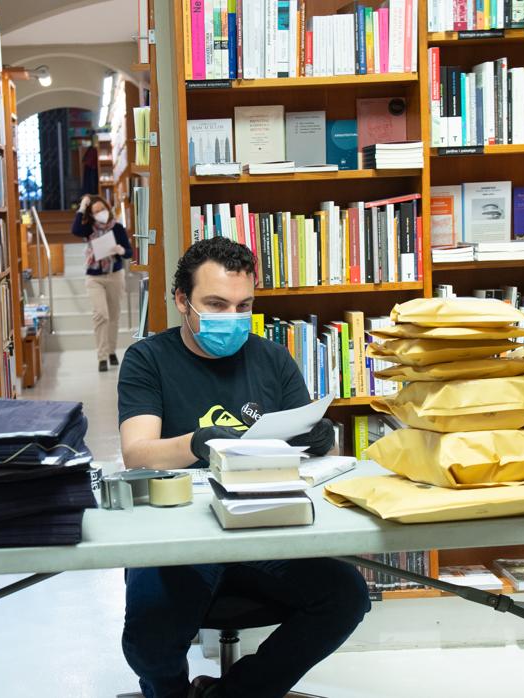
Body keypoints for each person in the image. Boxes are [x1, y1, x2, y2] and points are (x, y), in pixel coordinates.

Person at [116, 237, 369, 698]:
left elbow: (311, 444)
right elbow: (138, 452)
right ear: (181, 301)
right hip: (181, 536)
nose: (231, 318)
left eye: (243, 305)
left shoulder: (270, 358)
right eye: (215, 304)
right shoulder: (148, 359)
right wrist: (198, 441)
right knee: (149, 640)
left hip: (262, 530)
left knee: (346, 595)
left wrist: (318, 438)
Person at [72, 193, 135, 372]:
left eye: (102, 209)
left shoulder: (118, 228)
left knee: (114, 316)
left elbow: (129, 253)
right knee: (101, 315)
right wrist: (82, 207)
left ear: (108, 209)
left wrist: (121, 250)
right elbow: (75, 230)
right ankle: (102, 356)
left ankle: (112, 351)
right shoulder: (88, 228)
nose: (101, 213)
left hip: (115, 274)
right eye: (96, 211)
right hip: (94, 277)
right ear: (92, 214)